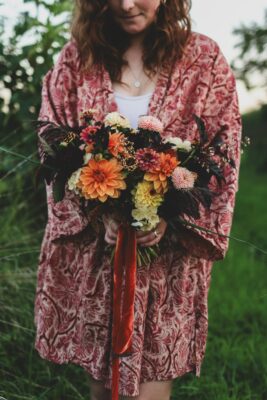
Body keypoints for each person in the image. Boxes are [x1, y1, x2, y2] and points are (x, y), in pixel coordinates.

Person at [33, 0, 242, 399]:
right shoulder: (77, 59)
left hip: (168, 261)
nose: (126, 4)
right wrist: (97, 214)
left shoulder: (203, 59)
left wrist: (172, 220)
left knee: (150, 389)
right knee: (101, 386)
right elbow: (51, 138)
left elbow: (224, 151)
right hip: (95, 257)